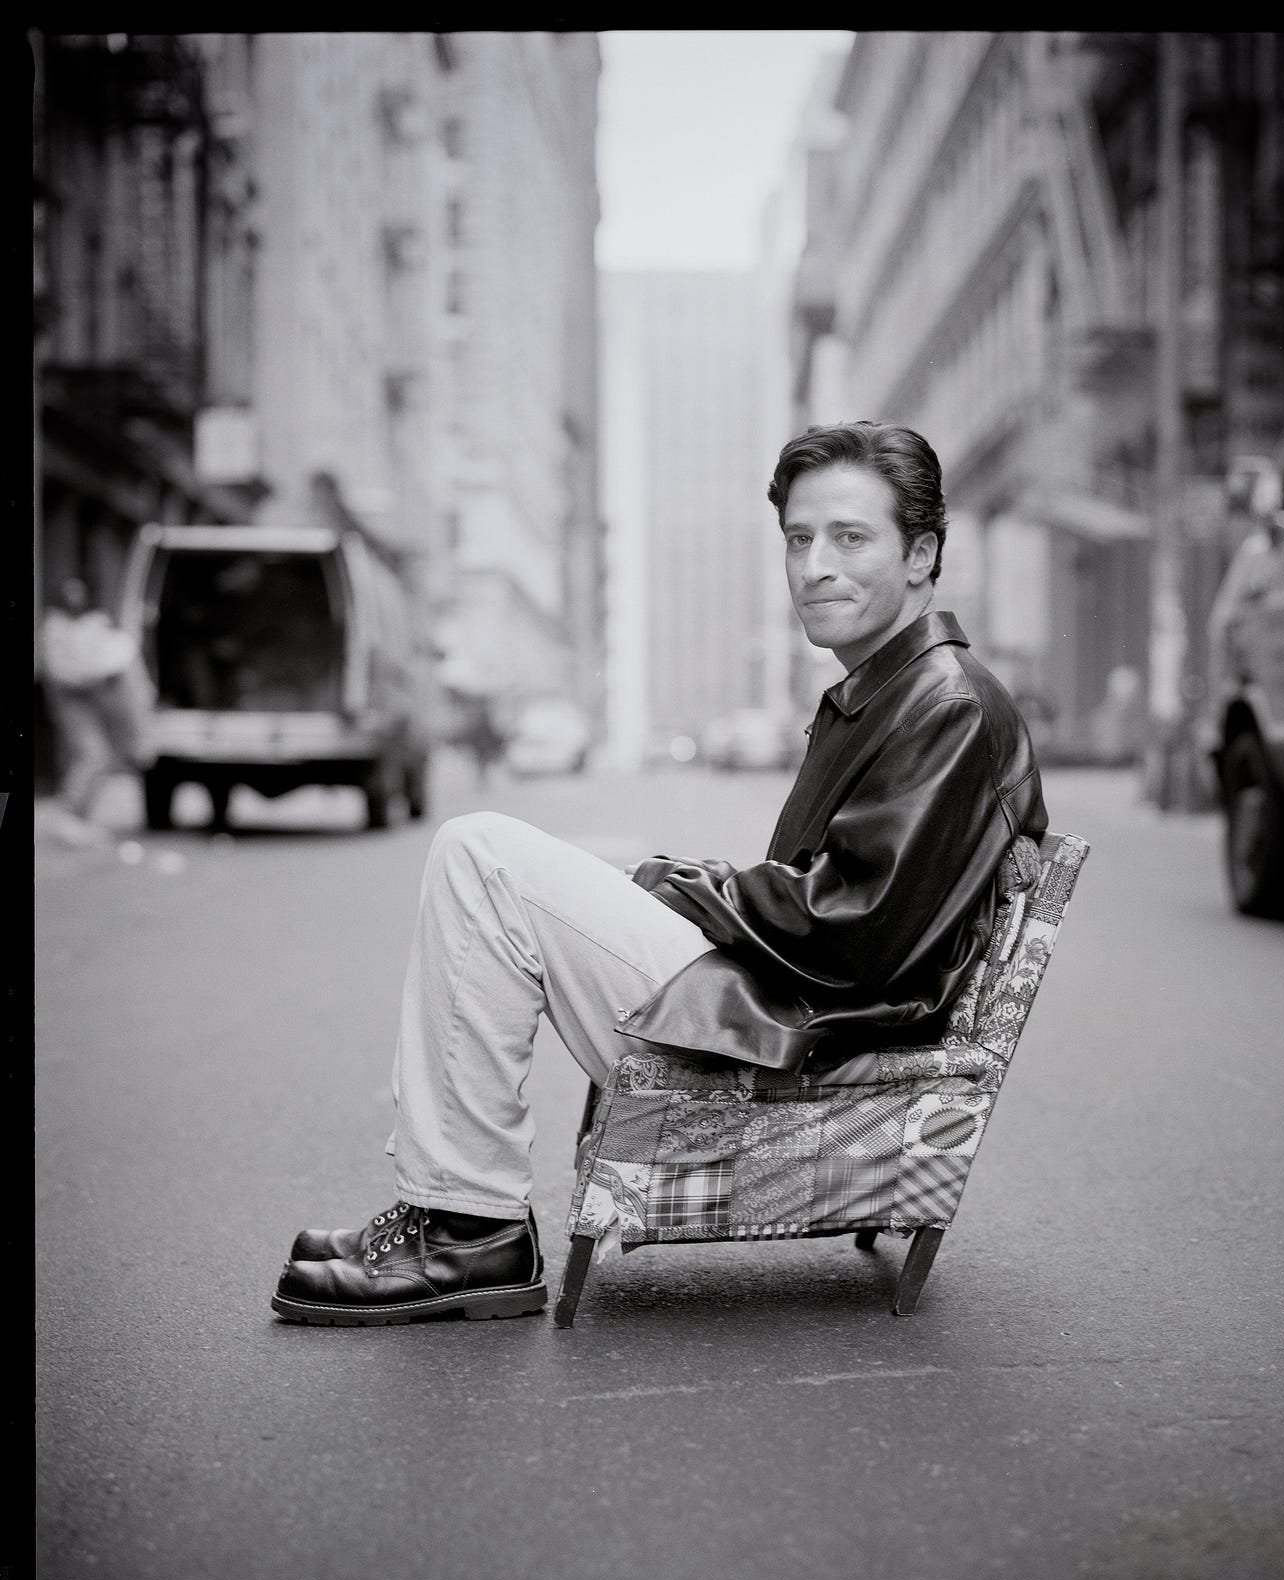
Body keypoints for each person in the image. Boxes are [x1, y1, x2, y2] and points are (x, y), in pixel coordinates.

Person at [271, 422, 1048, 1326]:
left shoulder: (943, 704)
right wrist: (690, 885)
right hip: (785, 1000)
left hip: (807, 1027)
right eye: (799, 539)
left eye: (849, 538)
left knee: (481, 855)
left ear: (922, 555)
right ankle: (458, 1213)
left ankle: (468, 1228)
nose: (814, 566)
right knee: (493, 861)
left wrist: (687, 886)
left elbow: (855, 933)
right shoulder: (890, 687)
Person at [40, 576, 155, 840]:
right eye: (69, 593)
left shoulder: (92, 623)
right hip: (72, 705)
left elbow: (113, 653)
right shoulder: (55, 627)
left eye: (79, 592)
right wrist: (89, 676)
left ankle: (80, 816)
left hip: (94, 703)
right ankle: (71, 813)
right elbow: (61, 672)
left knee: (101, 756)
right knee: (93, 756)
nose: (74, 598)